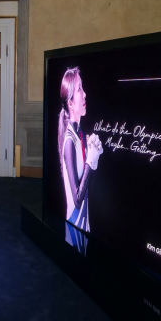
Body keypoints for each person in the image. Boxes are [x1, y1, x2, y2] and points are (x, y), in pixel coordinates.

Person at [58, 67, 102, 234]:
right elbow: (77, 200)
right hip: (74, 223)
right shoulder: (69, 140)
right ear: (70, 103)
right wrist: (91, 160)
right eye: (79, 89)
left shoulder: (81, 134)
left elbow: (87, 183)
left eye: (82, 88)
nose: (84, 94)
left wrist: (94, 158)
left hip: (84, 222)